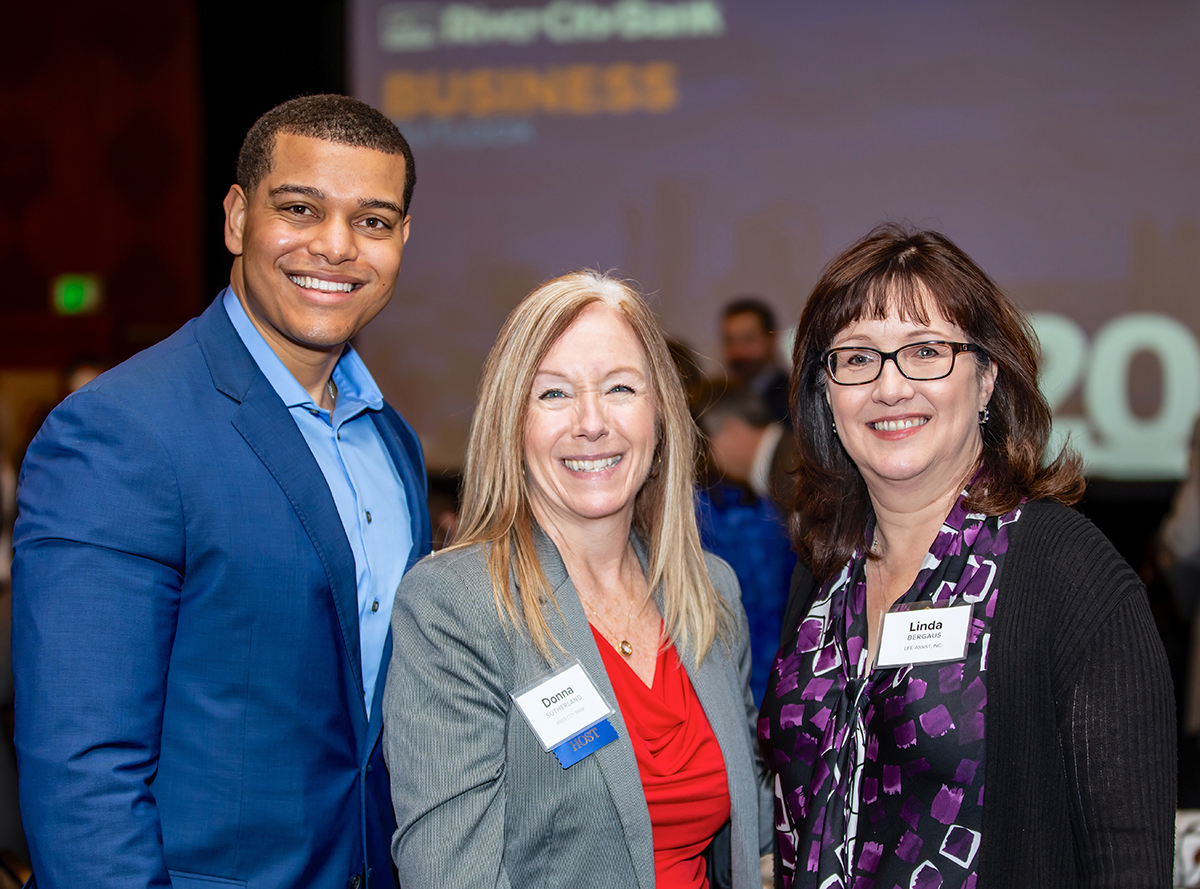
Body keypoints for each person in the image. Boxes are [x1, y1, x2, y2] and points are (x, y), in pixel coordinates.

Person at [13, 95, 431, 889]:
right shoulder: (119, 432)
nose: (336, 246)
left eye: (373, 221)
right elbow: (82, 769)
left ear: (403, 239)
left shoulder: (392, 441)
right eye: (301, 208)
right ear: (238, 218)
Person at [758, 224, 1175, 888]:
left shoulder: (1062, 570)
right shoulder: (822, 576)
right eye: (857, 357)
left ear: (986, 379)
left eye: (926, 351)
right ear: (826, 396)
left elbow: (1127, 856)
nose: (889, 387)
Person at [384, 271, 772, 888]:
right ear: (513, 423)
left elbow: (751, 820)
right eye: (554, 394)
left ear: (661, 414)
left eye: (620, 388)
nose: (592, 423)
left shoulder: (709, 592)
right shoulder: (454, 608)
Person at [721, 297, 790, 424]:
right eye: (730, 341)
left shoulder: (791, 398)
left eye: (747, 339)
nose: (738, 350)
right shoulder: (721, 399)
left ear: (771, 339)